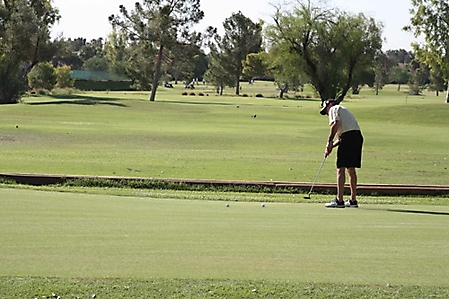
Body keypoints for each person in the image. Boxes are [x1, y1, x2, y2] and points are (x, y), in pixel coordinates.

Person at [320, 99, 364, 208]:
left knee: (341, 169)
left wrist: (329, 141)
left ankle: (339, 200)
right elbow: (341, 139)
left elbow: (336, 124)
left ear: (329, 105)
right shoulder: (344, 112)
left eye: (325, 110)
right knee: (351, 169)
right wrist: (331, 147)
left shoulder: (334, 109)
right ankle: (353, 200)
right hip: (356, 137)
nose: (327, 113)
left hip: (349, 138)